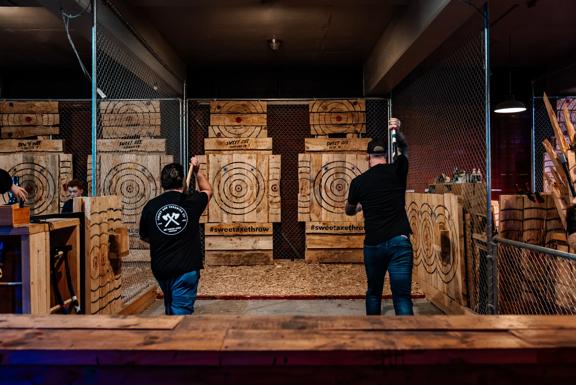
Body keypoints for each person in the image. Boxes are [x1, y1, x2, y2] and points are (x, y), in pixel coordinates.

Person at [345, 118, 414, 316]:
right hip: (399, 241)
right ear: (385, 154)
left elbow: (349, 210)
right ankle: (410, 343)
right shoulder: (398, 170)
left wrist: (360, 207)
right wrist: (397, 130)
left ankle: (374, 339)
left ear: (368, 156)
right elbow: (404, 148)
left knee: (374, 293)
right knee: (402, 297)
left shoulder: (359, 182)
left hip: (374, 244)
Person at [139, 157, 212, 315]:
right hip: (185, 269)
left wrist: (164, 237)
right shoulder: (191, 202)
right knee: (180, 316)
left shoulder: (151, 206)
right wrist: (197, 172)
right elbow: (207, 191)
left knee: (170, 307)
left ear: (162, 183)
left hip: (161, 269)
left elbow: (145, 236)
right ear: (183, 182)